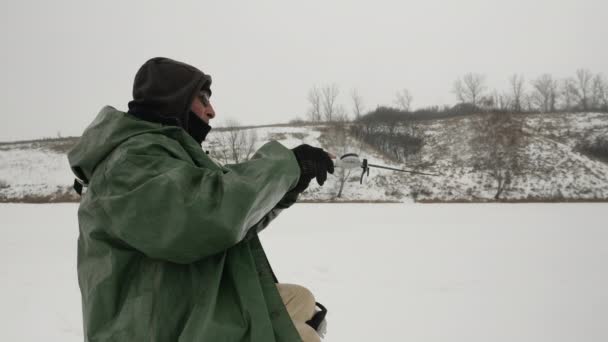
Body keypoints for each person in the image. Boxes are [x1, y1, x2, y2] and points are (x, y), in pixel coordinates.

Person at [68, 57, 333, 341]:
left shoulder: (164, 156)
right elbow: (207, 216)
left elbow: (232, 222)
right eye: (202, 98)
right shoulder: (130, 164)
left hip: (185, 302)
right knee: (304, 337)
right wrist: (285, 166)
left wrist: (285, 189)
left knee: (302, 300)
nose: (211, 111)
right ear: (173, 100)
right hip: (153, 326)